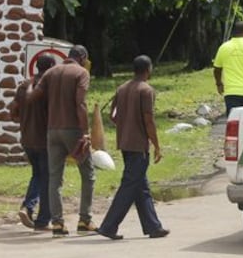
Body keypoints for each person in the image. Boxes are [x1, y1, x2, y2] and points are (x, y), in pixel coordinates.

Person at [97, 55, 169, 240]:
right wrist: (156, 145)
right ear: (148, 69)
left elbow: (113, 115)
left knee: (140, 187)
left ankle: (153, 227)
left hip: (124, 143)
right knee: (129, 186)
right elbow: (148, 119)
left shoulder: (122, 88)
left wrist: (126, 124)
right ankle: (108, 226)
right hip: (138, 145)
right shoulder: (146, 90)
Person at [29, 44, 95, 237]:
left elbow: (34, 97)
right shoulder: (81, 73)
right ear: (82, 57)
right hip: (73, 129)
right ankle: (85, 220)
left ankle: (57, 223)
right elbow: (80, 103)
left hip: (52, 131)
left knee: (55, 178)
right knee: (88, 174)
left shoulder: (51, 72)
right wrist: (85, 132)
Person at [15, 54, 57, 230]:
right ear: (52, 66)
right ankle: (42, 220)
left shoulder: (24, 86)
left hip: (27, 138)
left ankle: (28, 207)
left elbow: (13, 112)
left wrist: (26, 120)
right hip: (44, 140)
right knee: (47, 178)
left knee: (38, 175)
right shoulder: (48, 87)